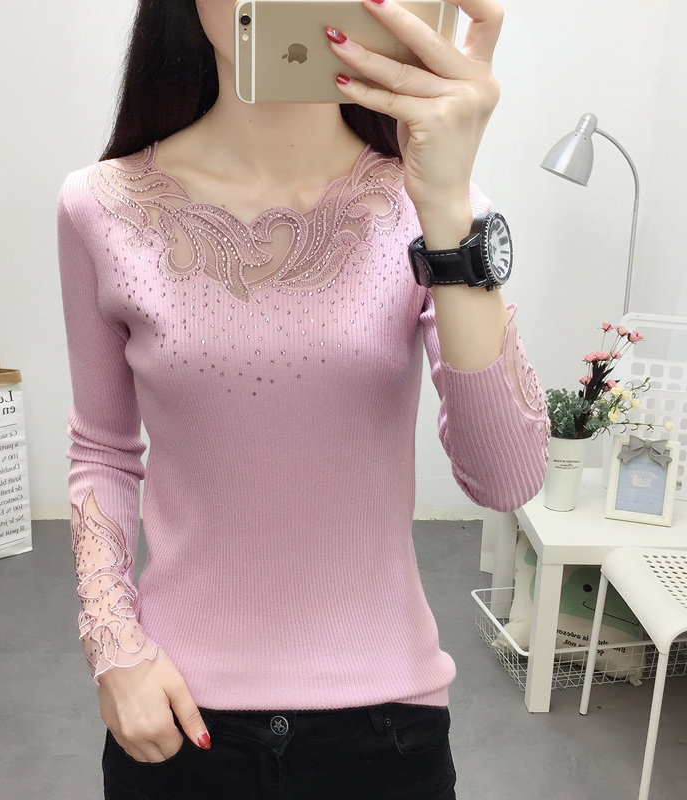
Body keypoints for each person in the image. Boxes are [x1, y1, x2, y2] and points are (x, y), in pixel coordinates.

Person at [56, 0, 550, 797]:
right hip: (177, 709)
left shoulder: (433, 208)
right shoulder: (100, 206)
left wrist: (449, 207)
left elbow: (507, 477)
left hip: (387, 722)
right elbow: (103, 449)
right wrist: (112, 646)